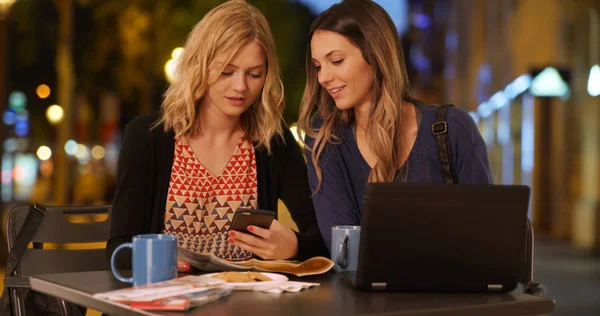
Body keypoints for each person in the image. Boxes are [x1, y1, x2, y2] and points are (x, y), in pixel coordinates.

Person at [108, 0, 328, 270]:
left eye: (254, 74)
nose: (240, 87)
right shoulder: (147, 138)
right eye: (227, 71)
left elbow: (324, 236)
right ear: (200, 64)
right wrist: (160, 259)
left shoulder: (273, 141)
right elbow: (119, 249)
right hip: (166, 306)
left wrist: (295, 245)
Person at [297, 0, 493, 250]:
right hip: (363, 290)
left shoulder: (452, 129)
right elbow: (344, 252)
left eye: (336, 61)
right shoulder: (325, 139)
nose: (323, 77)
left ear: (376, 55)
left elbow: (485, 239)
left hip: (449, 289)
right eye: (317, 66)